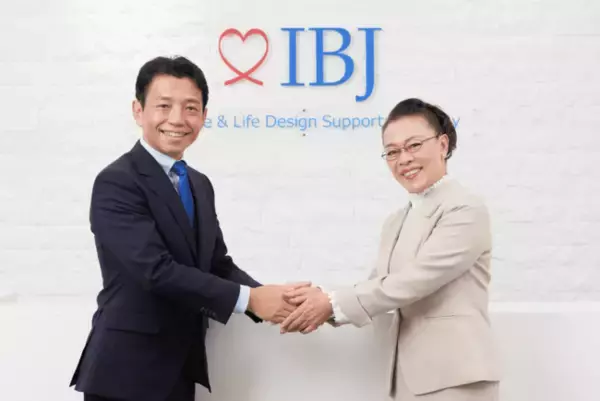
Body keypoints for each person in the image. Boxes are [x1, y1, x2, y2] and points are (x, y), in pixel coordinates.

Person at [69, 55, 307, 401]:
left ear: (204, 116)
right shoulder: (117, 181)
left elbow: (216, 263)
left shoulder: (199, 183)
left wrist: (274, 297)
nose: (177, 119)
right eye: (164, 106)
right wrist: (251, 300)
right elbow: (155, 271)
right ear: (138, 111)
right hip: (126, 372)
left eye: (191, 108)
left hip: (180, 367)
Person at [281, 98, 501, 400]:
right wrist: (313, 302)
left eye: (414, 145)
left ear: (442, 144)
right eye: (393, 152)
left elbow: (415, 281)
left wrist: (330, 303)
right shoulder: (396, 221)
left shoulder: (464, 208)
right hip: (405, 379)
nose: (404, 159)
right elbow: (378, 285)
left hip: (455, 379)